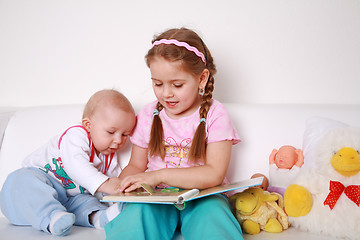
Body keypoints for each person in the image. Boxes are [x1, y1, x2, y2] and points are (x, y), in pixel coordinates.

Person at [105, 27, 243, 240]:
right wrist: (122, 185)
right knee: (135, 218)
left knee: (213, 218)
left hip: (202, 196)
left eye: (177, 85)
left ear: (202, 78)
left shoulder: (216, 114)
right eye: (158, 84)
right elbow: (136, 165)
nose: (166, 93)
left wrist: (158, 175)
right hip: (156, 198)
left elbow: (214, 173)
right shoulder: (149, 114)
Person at [0, 89, 136, 236]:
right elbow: (77, 166)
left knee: (86, 202)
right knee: (24, 181)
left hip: (69, 198)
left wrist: (116, 199)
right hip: (43, 181)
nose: (118, 140)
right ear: (88, 125)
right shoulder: (76, 136)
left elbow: (110, 188)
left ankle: (99, 217)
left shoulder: (109, 157)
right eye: (111, 132)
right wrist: (106, 184)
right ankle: (52, 217)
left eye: (124, 135)